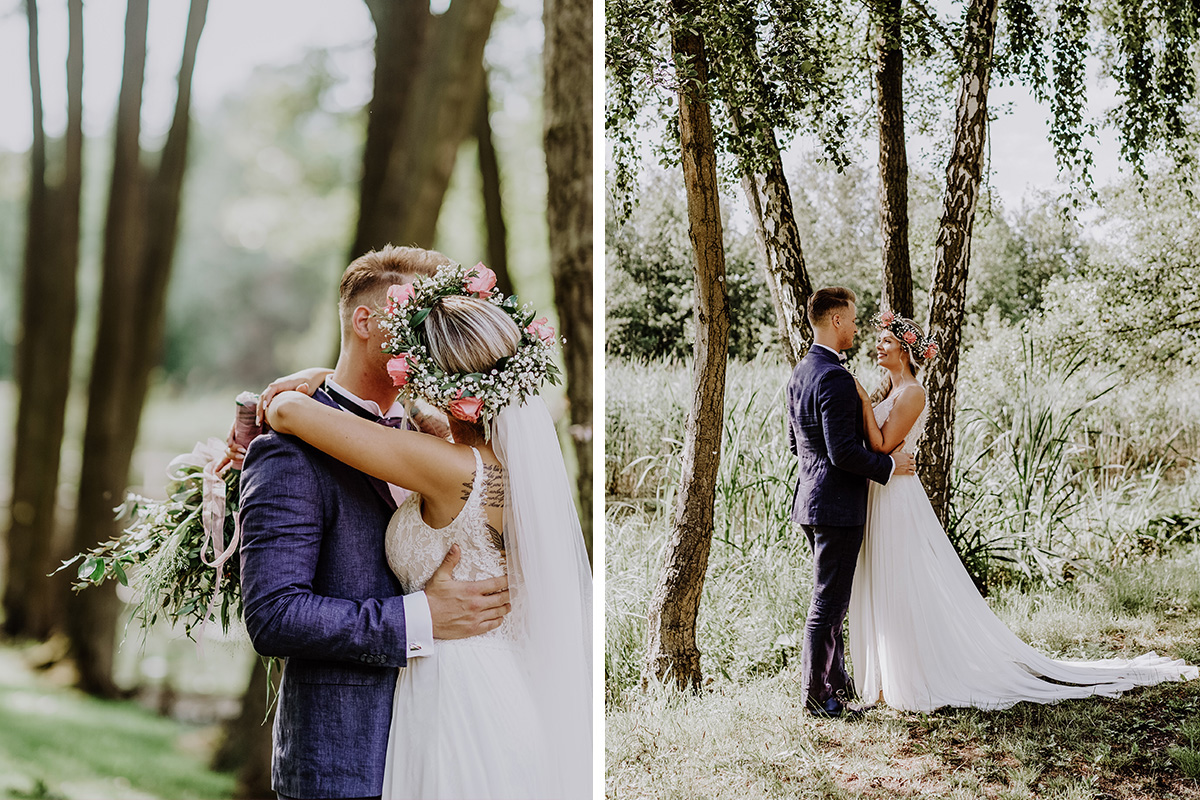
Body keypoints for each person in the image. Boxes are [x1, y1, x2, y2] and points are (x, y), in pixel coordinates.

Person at [258, 261, 591, 798]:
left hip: (459, 700)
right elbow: (275, 612)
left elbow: (291, 414)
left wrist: (303, 390)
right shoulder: (485, 458)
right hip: (493, 691)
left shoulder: (445, 465)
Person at [848, 311, 1199, 712]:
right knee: (885, 576)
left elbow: (881, 447)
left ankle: (909, 675)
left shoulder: (912, 392)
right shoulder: (888, 391)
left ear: (907, 351)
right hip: (882, 490)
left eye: (887, 341)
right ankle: (885, 677)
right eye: (880, 341)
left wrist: (860, 400)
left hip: (896, 495)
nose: (879, 346)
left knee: (901, 579)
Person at [785, 287, 917, 718]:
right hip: (837, 505)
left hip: (811, 499)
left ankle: (835, 689)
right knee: (828, 604)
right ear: (836, 320)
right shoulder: (836, 378)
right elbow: (842, 452)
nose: (858, 327)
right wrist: (888, 466)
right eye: (854, 319)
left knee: (833, 599)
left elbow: (796, 443)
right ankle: (816, 699)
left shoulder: (800, 372)